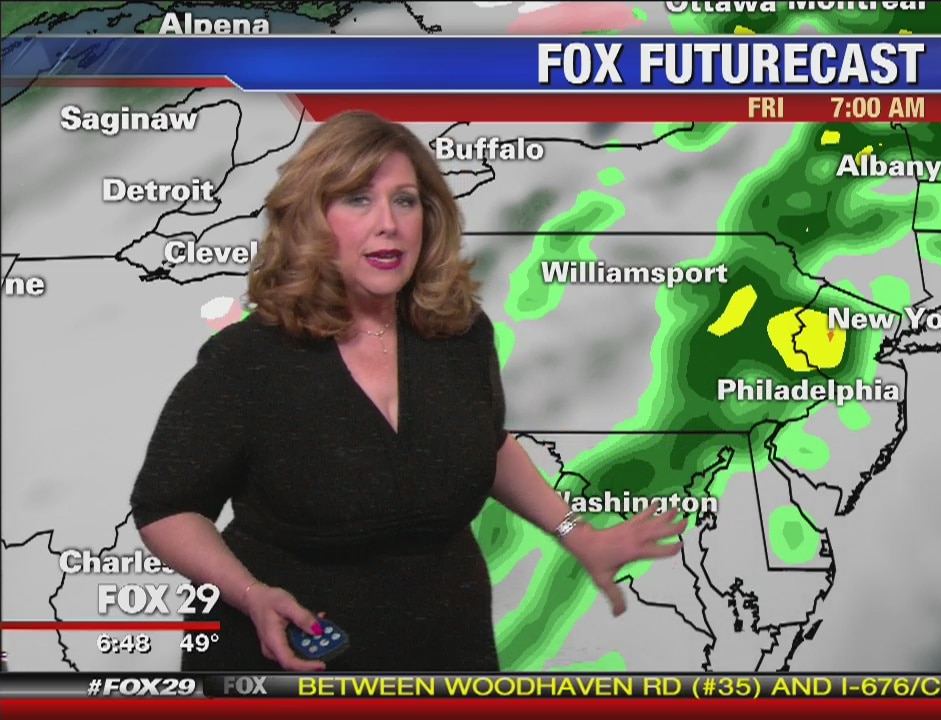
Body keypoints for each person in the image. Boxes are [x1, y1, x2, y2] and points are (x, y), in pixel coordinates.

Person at [129, 111, 687, 672]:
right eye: (357, 200)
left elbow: (484, 445)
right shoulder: (246, 360)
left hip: (445, 653)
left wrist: (577, 534)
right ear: (310, 220)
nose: (388, 224)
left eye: (404, 201)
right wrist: (249, 595)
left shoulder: (459, 335)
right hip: (293, 659)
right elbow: (166, 507)